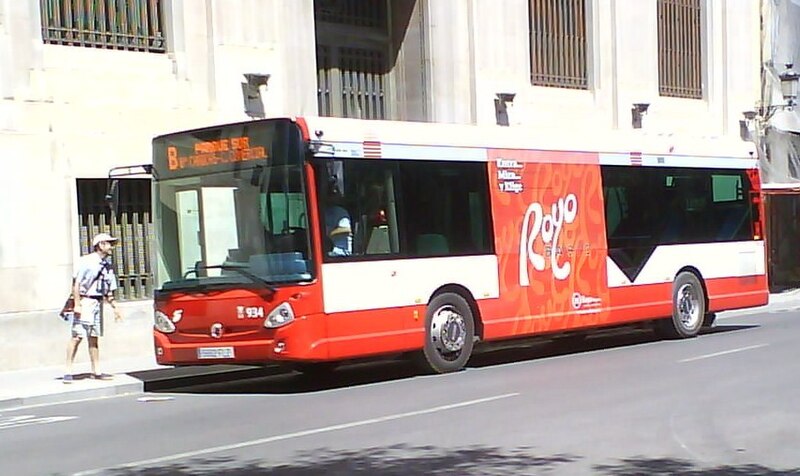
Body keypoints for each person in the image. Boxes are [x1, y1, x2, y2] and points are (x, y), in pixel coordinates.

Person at [64, 232, 123, 383]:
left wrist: (114, 306)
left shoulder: (108, 266)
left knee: (94, 337)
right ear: (101, 245)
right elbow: (76, 284)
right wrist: (77, 304)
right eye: (109, 243)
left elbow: (108, 289)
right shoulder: (87, 262)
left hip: (97, 303)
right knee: (77, 336)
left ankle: (96, 370)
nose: (111, 247)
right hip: (85, 301)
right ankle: (68, 370)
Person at [324, 179, 352, 256]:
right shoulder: (324, 212)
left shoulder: (340, 211)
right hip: (328, 252)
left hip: (341, 253)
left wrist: (329, 235)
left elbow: (346, 229)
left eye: (332, 195)